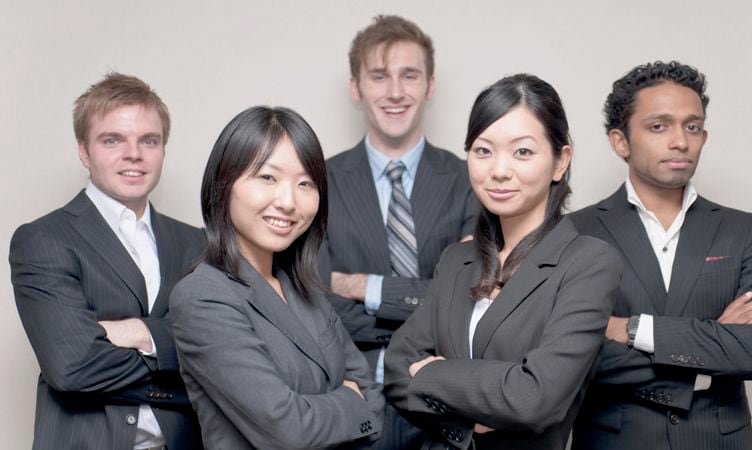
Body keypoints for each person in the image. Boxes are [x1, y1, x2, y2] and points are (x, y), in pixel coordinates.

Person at [384, 74, 623, 449]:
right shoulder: (456, 259)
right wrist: (471, 421)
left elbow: (534, 399)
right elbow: (397, 367)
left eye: (522, 152)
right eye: (483, 150)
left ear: (560, 161)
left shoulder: (588, 263)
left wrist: (429, 375)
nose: (498, 170)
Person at [570, 61, 752, 450]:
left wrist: (634, 330)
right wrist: (711, 350)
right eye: (659, 126)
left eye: (692, 127)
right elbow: (575, 359)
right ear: (620, 141)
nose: (680, 141)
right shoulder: (575, 233)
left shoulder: (743, 230)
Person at [170, 106, 384, 449]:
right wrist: (350, 401)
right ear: (223, 184)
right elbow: (286, 430)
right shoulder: (203, 296)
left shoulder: (304, 290)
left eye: (305, 183)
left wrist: (337, 406)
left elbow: (373, 397)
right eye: (268, 178)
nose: (288, 202)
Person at [9, 72, 204, 449]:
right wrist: (173, 351)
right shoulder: (43, 240)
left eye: (149, 140)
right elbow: (72, 366)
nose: (134, 154)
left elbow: (223, 352)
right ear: (84, 151)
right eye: (112, 140)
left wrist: (137, 332)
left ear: (163, 150)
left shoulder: (197, 243)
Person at [319, 14, 477, 449]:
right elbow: (315, 302)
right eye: (378, 76)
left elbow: (470, 299)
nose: (394, 92)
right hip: (349, 399)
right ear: (356, 87)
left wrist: (361, 286)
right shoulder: (317, 183)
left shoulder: (471, 180)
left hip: (445, 400)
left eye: (409, 75)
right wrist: (433, 305)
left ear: (430, 85)